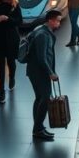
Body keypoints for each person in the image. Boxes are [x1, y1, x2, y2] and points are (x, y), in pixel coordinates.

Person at [26, 9, 61, 141]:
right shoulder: (43, 35)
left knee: (39, 98)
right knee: (45, 99)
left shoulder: (42, 30)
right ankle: (38, 129)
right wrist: (51, 73)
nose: (59, 23)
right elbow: (42, 57)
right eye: (57, 21)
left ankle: (38, 128)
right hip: (39, 72)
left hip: (36, 71)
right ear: (50, 21)